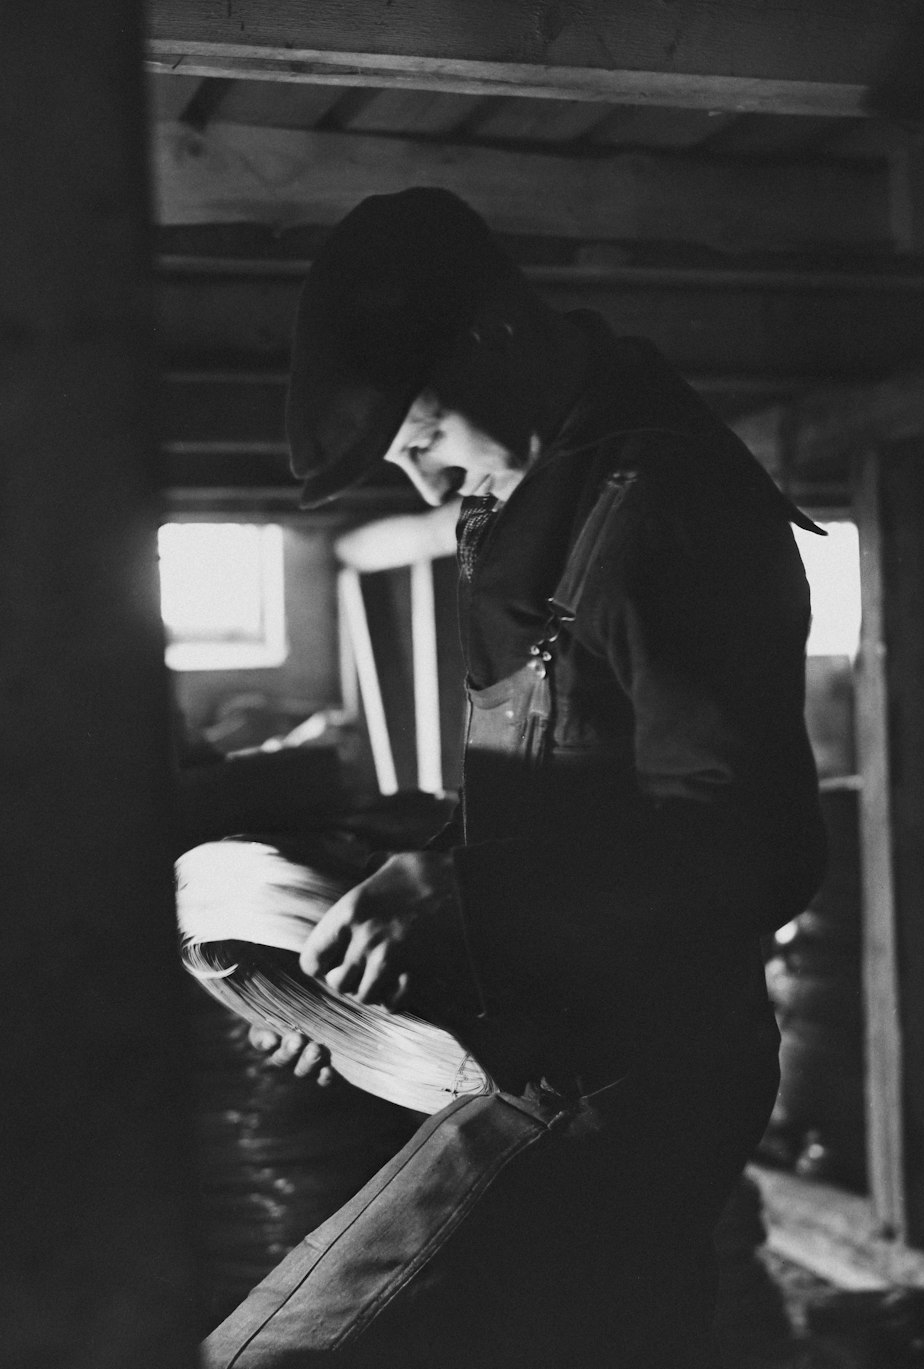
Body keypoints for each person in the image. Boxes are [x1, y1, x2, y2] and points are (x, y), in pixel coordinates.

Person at [214, 186, 826, 1367]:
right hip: (549, 1040)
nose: (428, 489)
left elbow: (759, 847)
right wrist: (333, 992)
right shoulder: (538, 502)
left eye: (428, 440)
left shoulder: (664, 512)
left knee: (283, 1354)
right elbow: (558, 802)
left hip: (635, 1074)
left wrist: (465, 899)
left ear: (495, 333)